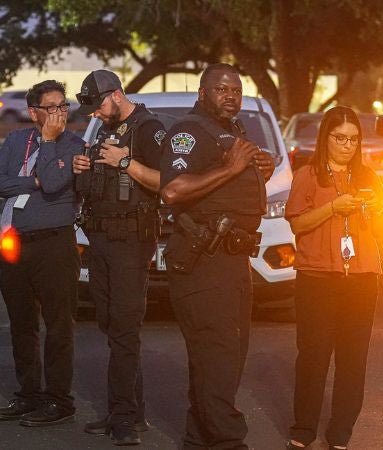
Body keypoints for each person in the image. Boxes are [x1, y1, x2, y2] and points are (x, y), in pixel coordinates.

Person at [159, 63, 274, 450]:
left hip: (233, 261)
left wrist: (261, 171)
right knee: (219, 354)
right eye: (222, 89)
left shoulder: (232, 132)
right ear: (203, 91)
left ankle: (198, 439)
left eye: (237, 91)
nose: (231, 96)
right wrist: (231, 167)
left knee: (222, 355)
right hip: (204, 261)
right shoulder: (188, 132)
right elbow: (173, 190)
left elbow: (231, 187)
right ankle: (227, 440)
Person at [284, 106, 383, 450]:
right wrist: (333, 208)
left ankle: (341, 433)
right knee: (313, 355)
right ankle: (303, 431)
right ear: (325, 137)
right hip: (317, 276)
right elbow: (297, 223)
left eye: (353, 139)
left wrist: (373, 209)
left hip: (360, 277)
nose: (347, 145)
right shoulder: (308, 175)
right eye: (340, 138)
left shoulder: (368, 177)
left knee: (353, 358)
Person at [72, 69, 166, 446]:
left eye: (98, 106)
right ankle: (129, 410)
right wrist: (84, 168)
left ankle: (124, 417)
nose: (94, 114)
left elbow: (166, 182)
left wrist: (126, 162)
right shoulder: (103, 129)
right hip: (100, 239)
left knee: (125, 327)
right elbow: (98, 183)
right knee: (111, 324)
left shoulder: (149, 128)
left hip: (130, 242)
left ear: (116, 94)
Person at [0, 80, 83, 427]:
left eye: (63, 106)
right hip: (15, 242)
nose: (59, 113)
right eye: (51, 107)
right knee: (22, 323)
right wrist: (33, 182)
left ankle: (59, 399)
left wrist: (49, 143)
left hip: (55, 243)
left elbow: (56, 184)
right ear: (33, 112)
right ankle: (28, 394)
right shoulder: (15, 140)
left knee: (58, 324)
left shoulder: (74, 144)